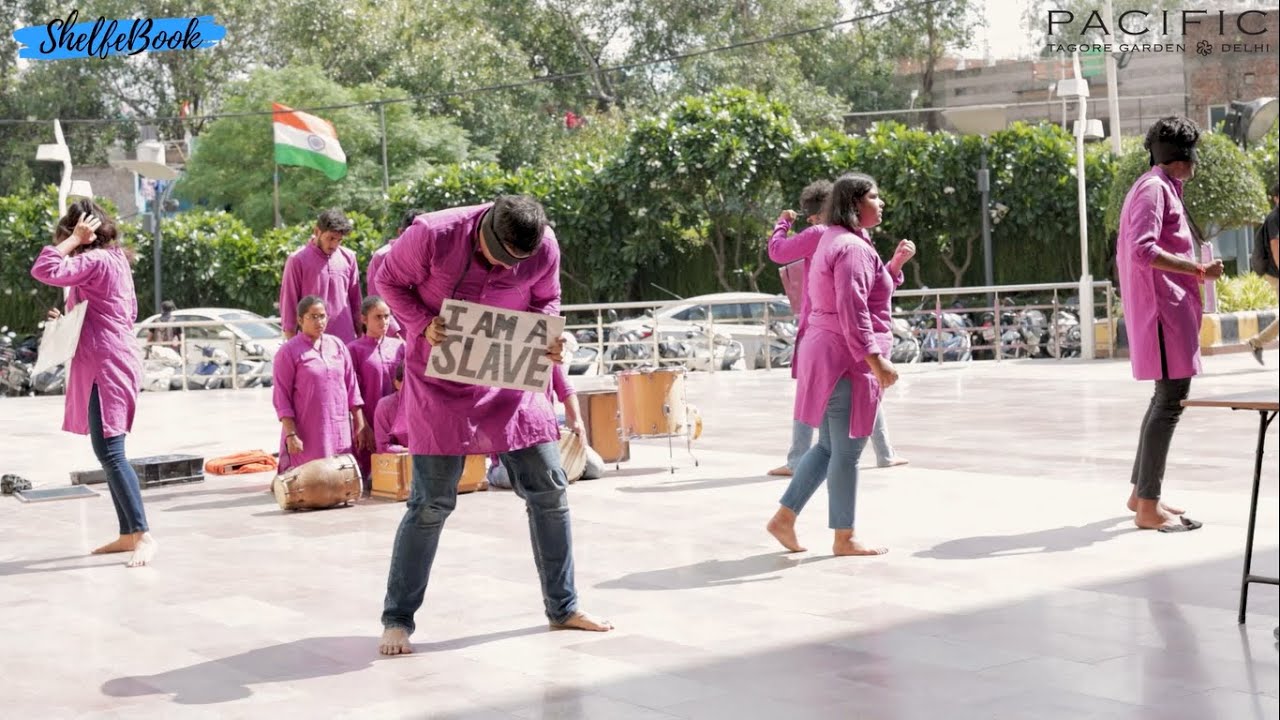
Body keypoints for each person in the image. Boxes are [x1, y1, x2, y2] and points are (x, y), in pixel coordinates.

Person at [374, 194, 612, 656]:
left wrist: (550, 336)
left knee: (550, 490)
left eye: (515, 262)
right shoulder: (431, 234)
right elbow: (388, 279)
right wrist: (422, 323)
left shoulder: (545, 245)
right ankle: (397, 619)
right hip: (440, 381)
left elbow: (547, 299)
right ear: (485, 228)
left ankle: (563, 607)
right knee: (430, 504)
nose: (504, 266)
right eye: (498, 256)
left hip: (510, 379)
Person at [765, 173, 915, 556]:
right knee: (847, 451)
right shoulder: (850, 246)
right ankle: (843, 537)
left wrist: (896, 263)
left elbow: (870, 291)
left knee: (828, 447)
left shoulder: (838, 238)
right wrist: (876, 360)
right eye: (874, 197)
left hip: (830, 352)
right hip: (845, 358)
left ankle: (784, 518)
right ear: (855, 203)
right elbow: (852, 308)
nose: (881, 203)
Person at [30, 200, 157, 567]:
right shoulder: (114, 260)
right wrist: (68, 317)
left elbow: (44, 268)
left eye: (66, 234)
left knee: (112, 452)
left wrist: (75, 240)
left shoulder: (97, 258)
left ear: (82, 232)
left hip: (106, 364)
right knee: (107, 452)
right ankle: (127, 533)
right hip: (109, 359)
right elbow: (114, 311)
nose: (63, 241)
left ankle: (143, 534)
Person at [1116, 116, 1223, 532]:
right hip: (1162, 311)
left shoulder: (1160, 186)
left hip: (1169, 310)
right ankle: (1147, 505)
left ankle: (1141, 494)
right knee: (1170, 402)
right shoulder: (1154, 189)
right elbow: (1143, 250)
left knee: (1163, 400)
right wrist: (1198, 271)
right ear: (1183, 156)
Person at [272, 296, 365, 474]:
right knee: (313, 481)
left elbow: (352, 388)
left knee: (340, 478)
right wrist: (291, 434)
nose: (319, 321)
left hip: (339, 428)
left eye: (322, 316)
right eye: (313, 317)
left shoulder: (337, 345)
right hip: (308, 432)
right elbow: (281, 397)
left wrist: (360, 424)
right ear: (300, 320)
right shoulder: (288, 352)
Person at [348, 296, 406, 490]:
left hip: (397, 419)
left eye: (387, 316)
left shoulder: (400, 347)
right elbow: (351, 390)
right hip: (368, 419)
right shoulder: (354, 350)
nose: (384, 321)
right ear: (364, 319)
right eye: (378, 317)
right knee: (371, 476)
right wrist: (362, 424)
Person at [279, 209, 362, 343]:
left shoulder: (349, 258)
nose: (334, 245)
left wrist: (360, 338)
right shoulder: (297, 260)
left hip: (345, 341)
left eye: (339, 240)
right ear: (317, 231)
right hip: (310, 343)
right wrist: (293, 345)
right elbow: (289, 303)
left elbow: (356, 302)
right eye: (330, 238)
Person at [368, 209, 425, 340]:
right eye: (411, 235)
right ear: (400, 232)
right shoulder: (382, 257)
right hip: (394, 334)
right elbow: (376, 300)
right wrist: (394, 332)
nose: (415, 241)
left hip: (424, 330)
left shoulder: (429, 254)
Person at [1246, 182, 1279, 365]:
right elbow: (1275, 245)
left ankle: (1257, 342)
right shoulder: (1275, 218)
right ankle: (1257, 342)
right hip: (1275, 272)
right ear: (1276, 199)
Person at [374, 362, 408, 454]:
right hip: (401, 459)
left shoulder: (431, 404)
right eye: (410, 383)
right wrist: (411, 451)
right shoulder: (385, 406)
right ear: (397, 384)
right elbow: (383, 446)